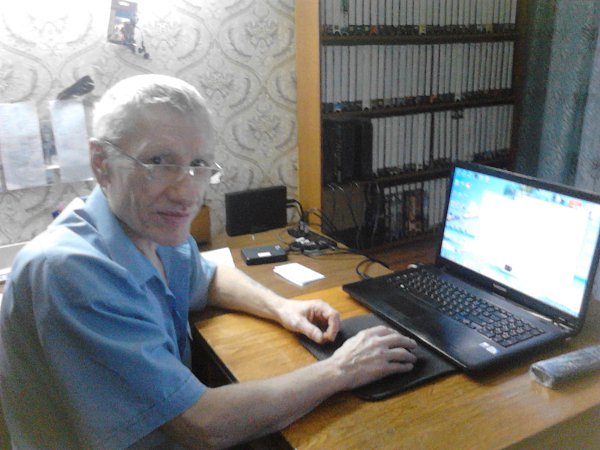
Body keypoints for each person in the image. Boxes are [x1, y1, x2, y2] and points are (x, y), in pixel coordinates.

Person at [0, 74, 418, 449]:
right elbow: (205, 426)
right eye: (158, 162)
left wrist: (282, 307)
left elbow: (208, 277)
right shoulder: (69, 271)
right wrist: (341, 369)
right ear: (101, 163)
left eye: (198, 165)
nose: (187, 193)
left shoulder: (147, 225)